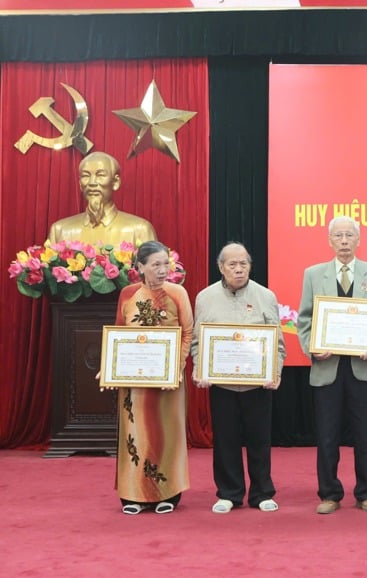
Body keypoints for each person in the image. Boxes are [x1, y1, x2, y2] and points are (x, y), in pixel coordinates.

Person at [297, 216, 367, 514]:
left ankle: (366, 493)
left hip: (364, 369)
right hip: (327, 368)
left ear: (359, 240)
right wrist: (314, 348)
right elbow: (305, 320)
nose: (345, 241)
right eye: (339, 236)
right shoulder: (313, 274)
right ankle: (329, 494)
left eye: (350, 235)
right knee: (326, 435)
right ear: (330, 240)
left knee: (366, 435)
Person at [191, 242, 285, 514]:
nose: (239, 269)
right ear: (220, 267)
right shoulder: (205, 297)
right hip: (222, 383)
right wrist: (201, 369)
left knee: (259, 439)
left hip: (258, 383)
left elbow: (277, 343)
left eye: (244, 263)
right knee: (225, 439)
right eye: (232, 264)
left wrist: (274, 372)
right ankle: (228, 493)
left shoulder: (265, 295)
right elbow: (198, 342)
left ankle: (262, 492)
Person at [109, 240, 192, 514]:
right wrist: (110, 366)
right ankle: (133, 495)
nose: (162, 270)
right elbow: (118, 334)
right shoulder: (128, 294)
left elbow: (188, 333)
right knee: (135, 434)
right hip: (134, 381)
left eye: (166, 263)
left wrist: (177, 367)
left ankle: (168, 494)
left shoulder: (178, 292)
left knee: (166, 434)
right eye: (155, 264)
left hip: (168, 382)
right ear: (140, 267)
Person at [48, 151, 157, 247]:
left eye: (100, 175)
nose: (92, 183)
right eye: (85, 176)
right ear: (80, 184)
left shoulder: (140, 229)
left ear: (115, 182)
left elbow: (155, 268)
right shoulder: (59, 230)